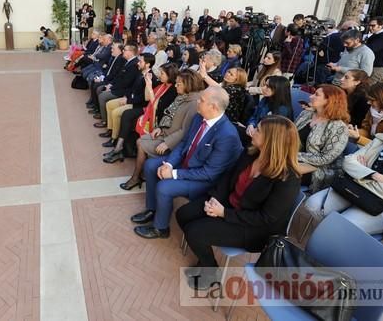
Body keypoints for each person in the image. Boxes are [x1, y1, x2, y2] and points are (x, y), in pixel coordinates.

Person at [176, 115, 301, 289]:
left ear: (271, 140)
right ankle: (206, 261)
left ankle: (211, 271)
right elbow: (228, 178)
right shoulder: (250, 153)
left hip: (254, 228)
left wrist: (223, 213)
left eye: (258, 130)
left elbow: (265, 218)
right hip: (229, 204)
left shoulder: (288, 179)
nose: (253, 131)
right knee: (183, 214)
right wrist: (215, 198)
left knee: (195, 232)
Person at [130, 86, 243, 239]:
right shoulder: (199, 117)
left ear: (213, 107)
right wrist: (169, 164)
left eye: (202, 100)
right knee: (150, 166)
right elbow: (184, 144)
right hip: (188, 164)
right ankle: (152, 209)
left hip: (206, 180)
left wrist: (174, 173)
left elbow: (209, 173)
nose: (197, 101)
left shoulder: (227, 135)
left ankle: (160, 228)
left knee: (164, 187)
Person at [121, 70, 204, 190]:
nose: (175, 86)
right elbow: (168, 114)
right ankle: (141, 175)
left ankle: (136, 177)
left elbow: (185, 131)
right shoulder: (182, 96)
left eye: (179, 83)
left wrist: (167, 143)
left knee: (141, 144)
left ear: (188, 84)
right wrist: (159, 127)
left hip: (173, 140)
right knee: (140, 141)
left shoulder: (193, 104)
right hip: (165, 132)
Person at [103, 57, 171, 164]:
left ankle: (117, 145)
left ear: (148, 64)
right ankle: (116, 142)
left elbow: (147, 100)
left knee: (124, 114)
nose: (159, 75)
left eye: (162, 73)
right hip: (139, 103)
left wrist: (148, 86)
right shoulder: (144, 75)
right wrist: (126, 96)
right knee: (116, 109)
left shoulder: (154, 79)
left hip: (142, 106)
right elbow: (132, 89)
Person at [294, 85, 350, 192]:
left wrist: (293, 156)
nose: (310, 97)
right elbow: (291, 135)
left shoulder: (339, 128)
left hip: (317, 168)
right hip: (294, 159)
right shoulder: (306, 113)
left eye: (316, 95)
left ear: (329, 101)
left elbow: (325, 159)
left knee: (279, 171)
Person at [94, 44, 139, 128]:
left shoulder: (134, 65)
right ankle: (103, 115)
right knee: (100, 88)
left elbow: (126, 83)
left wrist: (111, 88)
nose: (123, 51)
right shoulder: (127, 61)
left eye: (125, 50)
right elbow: (118, 76)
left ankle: (105, 121)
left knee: (102, 96)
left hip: (124, 91)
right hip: (119, 87)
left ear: (131, 52)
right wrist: (110, 85)